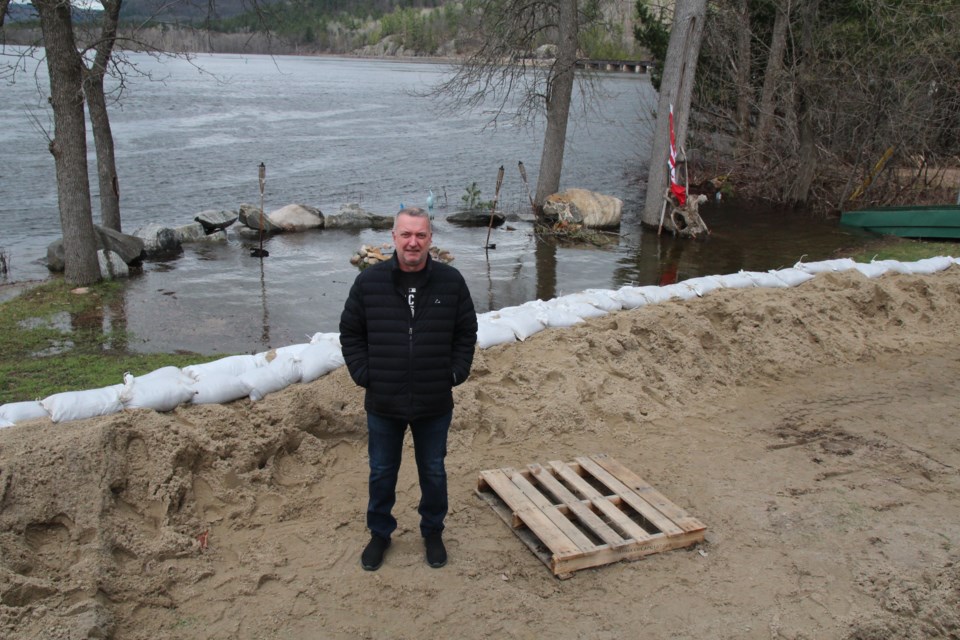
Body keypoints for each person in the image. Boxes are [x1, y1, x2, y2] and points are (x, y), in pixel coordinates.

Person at [339, 207, 478, 571]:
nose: (413, 242)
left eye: (420, 235)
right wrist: (364, 373)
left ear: (430, 239)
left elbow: (466, 332)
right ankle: (379, 534)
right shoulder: (369, 283)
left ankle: (432, 531)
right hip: (383, 400)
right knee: (382, 470)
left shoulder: (451, 282)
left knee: (433, 469)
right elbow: (351, 333)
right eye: (406, 235)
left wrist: (456, 372)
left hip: (434, 400)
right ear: (394, 238)